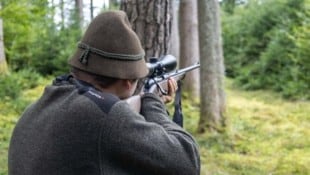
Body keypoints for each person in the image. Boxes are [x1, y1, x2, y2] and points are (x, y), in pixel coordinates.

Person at [8, 10, 200, 175]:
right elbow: (187, 161)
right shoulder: (105, 115)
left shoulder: (41, 104)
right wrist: (152, 102)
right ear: (127, 82)